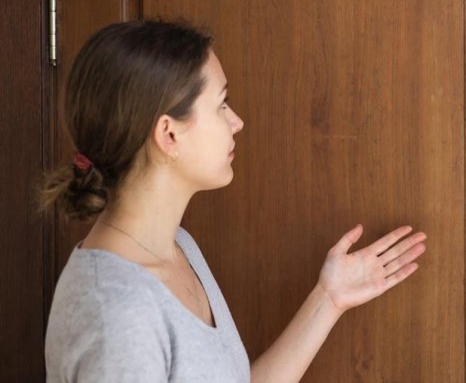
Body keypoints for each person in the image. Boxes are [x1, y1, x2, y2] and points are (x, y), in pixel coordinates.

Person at [42, 20, 427, 382]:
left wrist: (328, 299)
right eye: (221, 104)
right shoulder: (116, 313)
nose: (237, 121)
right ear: (169, 134)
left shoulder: (178, 247)